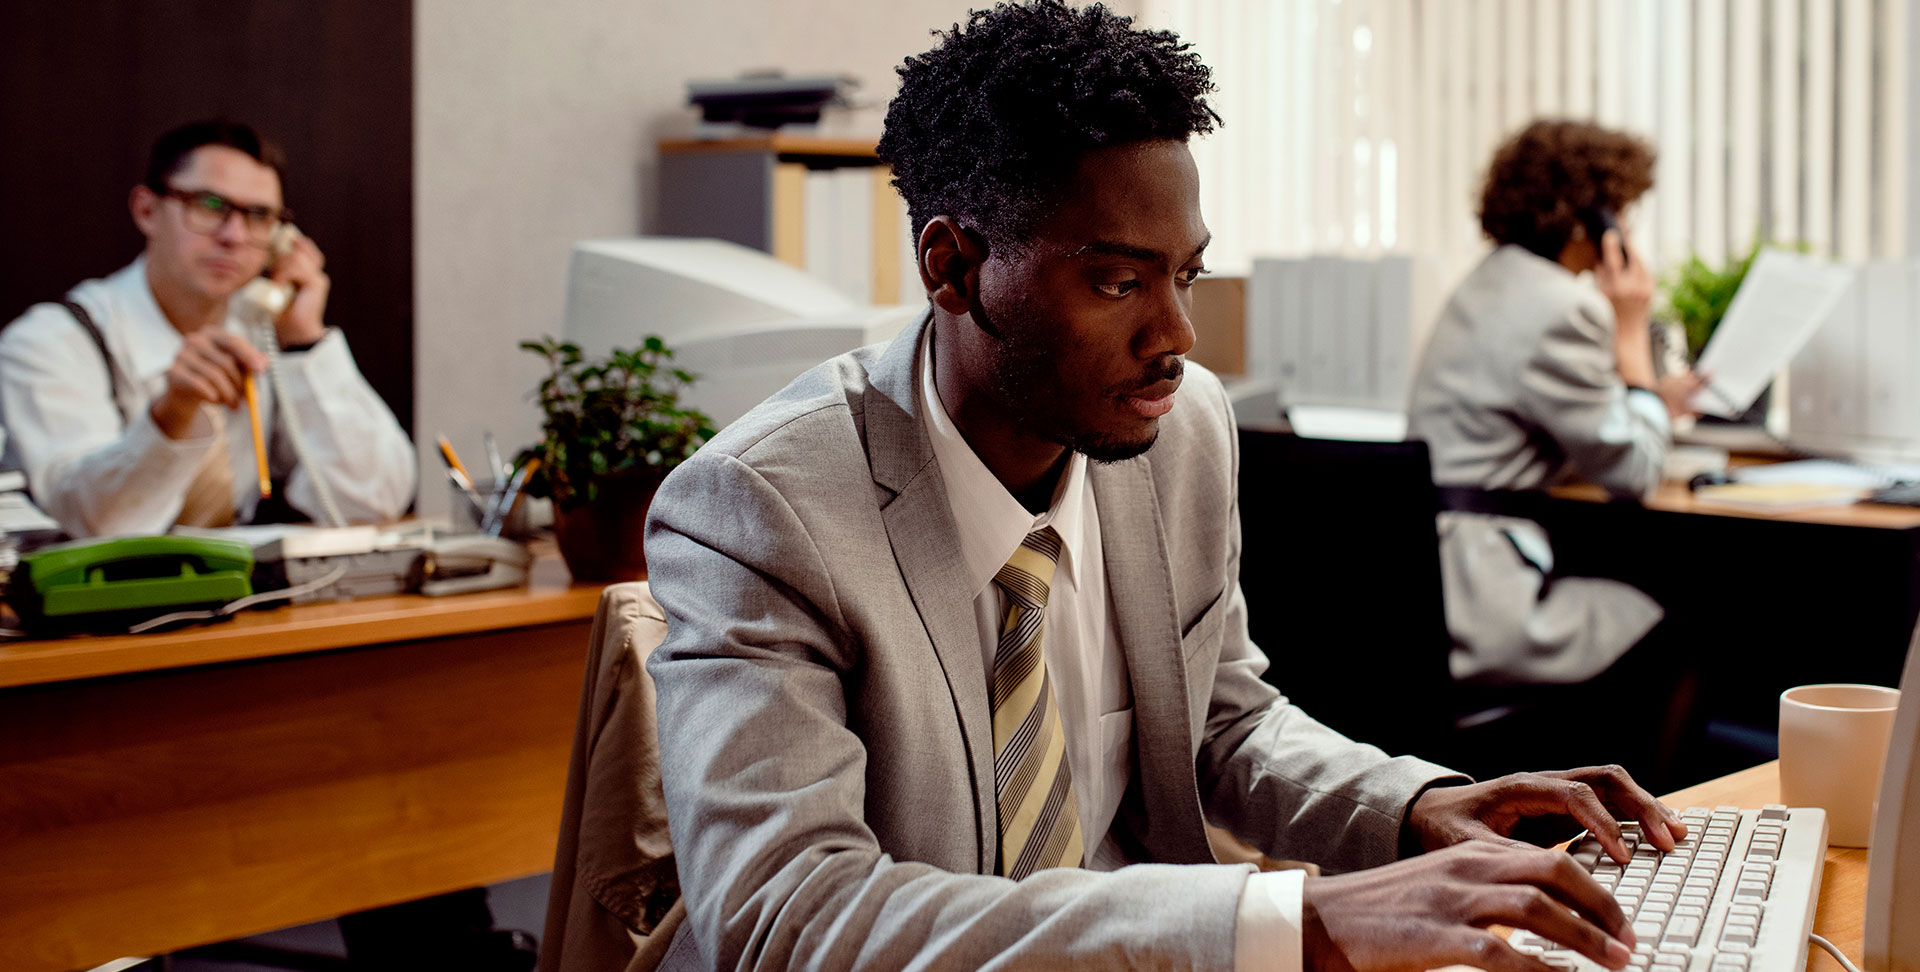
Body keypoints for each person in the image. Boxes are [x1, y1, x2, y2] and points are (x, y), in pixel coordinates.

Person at [643, 5, 1688, 970]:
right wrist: (1294, 920)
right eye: (1117, 282)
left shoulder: (1180, 431)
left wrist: (1416, 809)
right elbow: (787, 913)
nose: (1177, 339)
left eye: (1185, 275)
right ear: (953, 267)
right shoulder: (760, 509)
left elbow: (1223, 724)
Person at [0, 120, 414, 537]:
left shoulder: (262, 333)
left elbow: (372, 502)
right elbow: (92, 523)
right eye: (210, 205)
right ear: (147, 210)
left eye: (257, 216)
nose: (233, 236)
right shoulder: (49, 343)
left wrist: (304, 344)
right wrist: (171, 416)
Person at [1406, 120, 1707, 692]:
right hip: (1491, 608)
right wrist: (1631, 334)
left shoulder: (1487, 284)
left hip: (1431, 586)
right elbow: (1636, 474)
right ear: (1590, 221)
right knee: (1684, 600)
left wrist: (1647, 401)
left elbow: (1545, 412)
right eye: (1623, 212)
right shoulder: (1567, 308)